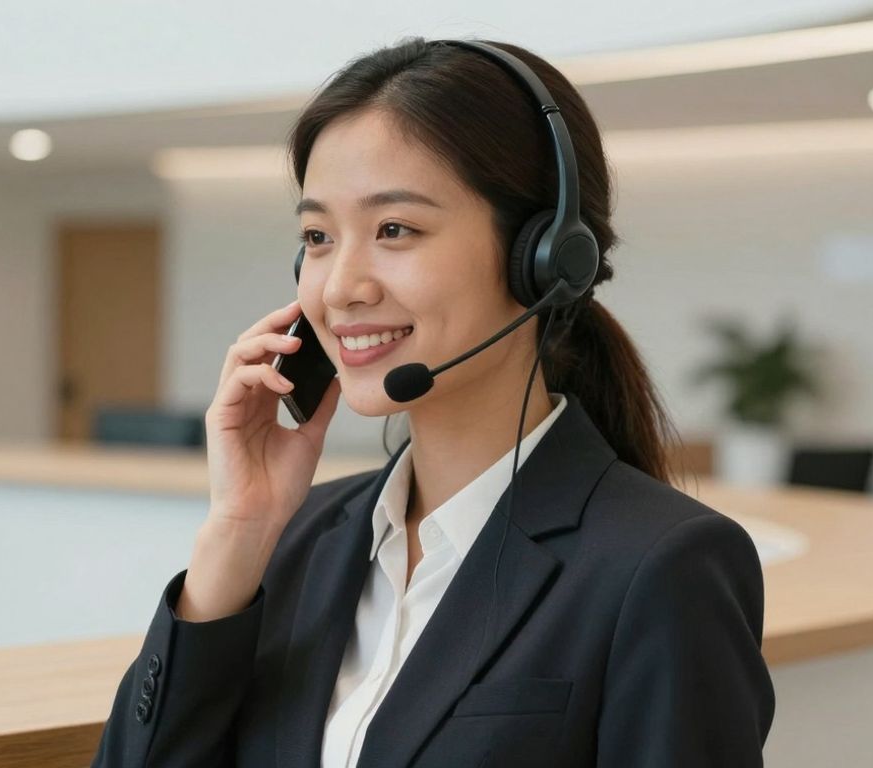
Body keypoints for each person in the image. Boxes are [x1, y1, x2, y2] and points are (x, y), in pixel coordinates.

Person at [91, 37, 774, 767]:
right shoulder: (299, 538)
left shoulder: (662, 565)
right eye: (318, 237)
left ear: (541, 255)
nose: (340, 286)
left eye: (395, 230)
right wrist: (237, 533)